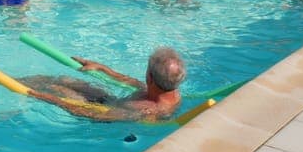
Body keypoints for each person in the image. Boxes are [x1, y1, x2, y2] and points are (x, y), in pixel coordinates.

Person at [19, 47, 186, 121]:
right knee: (64, 80)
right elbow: (133, 82)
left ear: (150, 77)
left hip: (98, 110)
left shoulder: (147, 111)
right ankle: (18, 78)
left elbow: (91, 115)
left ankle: (1, 80)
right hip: (107, 100)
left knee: (54, 89)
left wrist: (46, 98)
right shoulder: (167, 87)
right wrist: (102, 68)